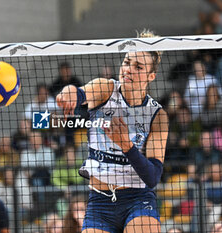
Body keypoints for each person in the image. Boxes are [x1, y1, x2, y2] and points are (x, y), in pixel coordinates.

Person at [56, 29, 168, 232]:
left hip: (137, 199)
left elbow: (152, 177)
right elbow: (81, 92)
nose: (128, 69)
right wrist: (69, 93)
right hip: (100, 201)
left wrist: (126, 145)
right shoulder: (106, 90)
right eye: (126, 62)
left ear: (151, 76)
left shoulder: (157, 115)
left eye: (138, 67)